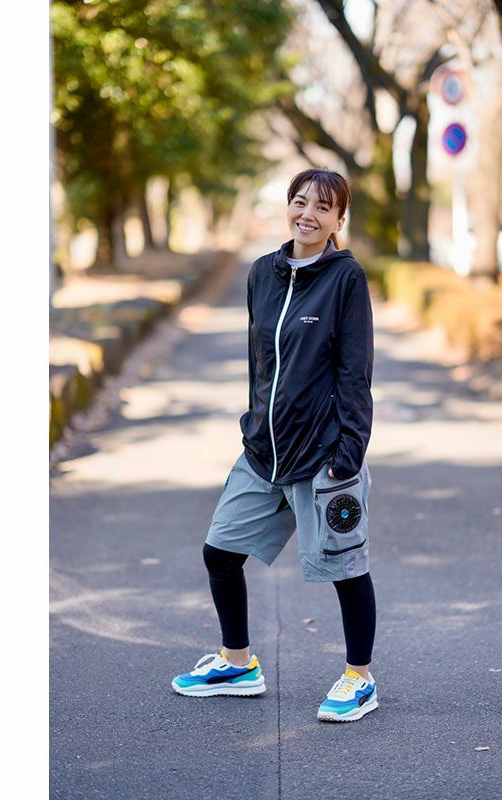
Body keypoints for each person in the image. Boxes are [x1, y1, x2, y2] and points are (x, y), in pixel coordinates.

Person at [172, 168, 377, 722]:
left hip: (323, 455)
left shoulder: (345, 278)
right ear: (288, 206)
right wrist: (253, 424)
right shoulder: (263, 272)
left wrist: (348, 454)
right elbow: (258, 360)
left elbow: (355, 373)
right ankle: (238, 663)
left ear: (338, 219)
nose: (308, 214)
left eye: (323, 207)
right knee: (220, 553)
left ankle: (360, 678)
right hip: (264, 451)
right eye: (300, 201)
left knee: (345, 567)